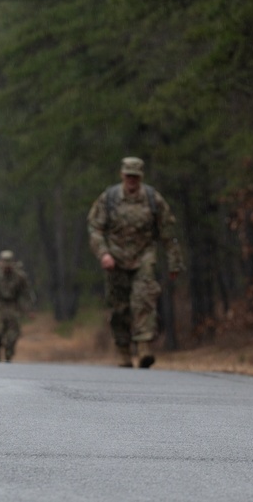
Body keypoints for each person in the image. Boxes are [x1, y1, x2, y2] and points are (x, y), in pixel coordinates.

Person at [87, 156, 184, 368]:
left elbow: (168, 232)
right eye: (128, 176)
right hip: (115, 257)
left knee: (144, 299)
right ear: (122, 175)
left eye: (136, 177)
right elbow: (95, 228)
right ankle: (123, 350)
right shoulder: (109, 198)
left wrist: (174, 261)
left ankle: (143, 347)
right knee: (118, 307)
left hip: (144, 255)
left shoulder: (152, 199)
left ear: (141, 177)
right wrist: (103, 253)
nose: (132, 180)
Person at [0, 250, 35, 362]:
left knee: (13, 333)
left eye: (9, 262)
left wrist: (29, 309)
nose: (7, 265)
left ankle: (9, 353)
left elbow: (26, 293)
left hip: (13, 306)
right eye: (4, 262)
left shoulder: (19, 277)